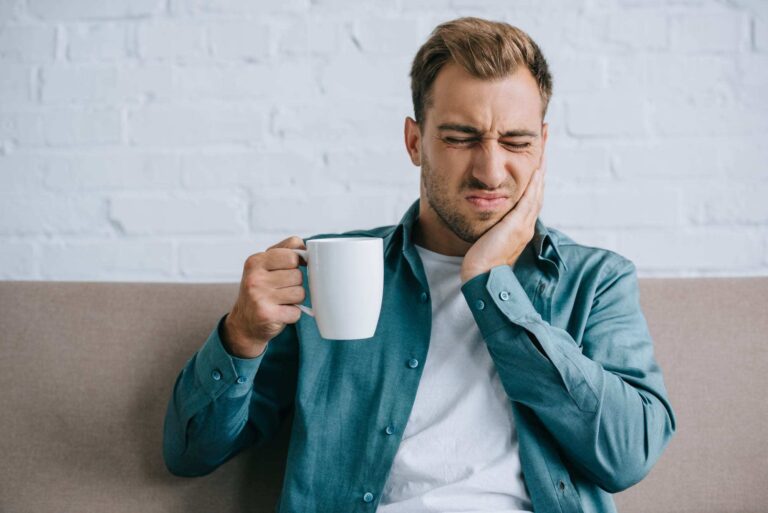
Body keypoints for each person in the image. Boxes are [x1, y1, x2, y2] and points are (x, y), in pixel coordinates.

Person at [163, 16, 676, 513]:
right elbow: (190, 454)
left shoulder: (596, 281)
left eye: (517, 142)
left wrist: (491, 283)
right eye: (460, 138)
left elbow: (627, 457)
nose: (491, 170)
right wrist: (242, 336)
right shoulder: (324, 272)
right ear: (415, 142)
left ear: (543, 146)